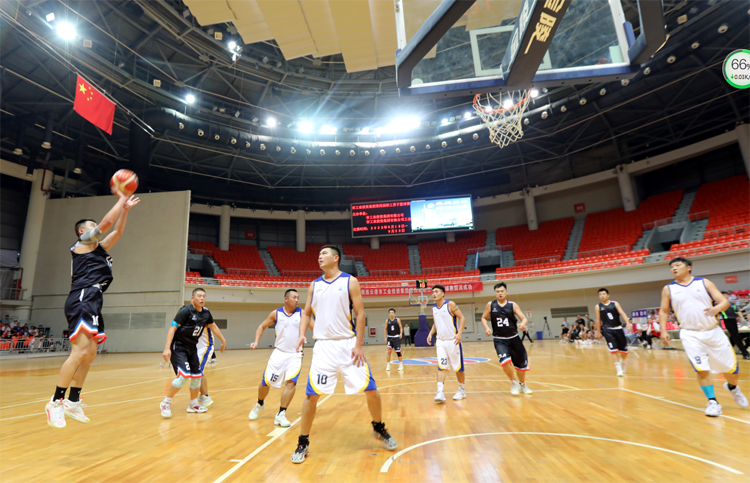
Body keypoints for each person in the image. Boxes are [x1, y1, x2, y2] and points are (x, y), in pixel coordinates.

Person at [291, 245, 396, 464]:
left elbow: (360, 313)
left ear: (336, 258)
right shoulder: (314, 285)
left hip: (348, 345)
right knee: (311, 396)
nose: (320, 256)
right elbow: (306, 313)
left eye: (324, 253)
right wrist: (301, 334)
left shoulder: (350, 281)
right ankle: (303, 442)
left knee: (372, 391)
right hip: (323, 347)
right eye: (318, 254)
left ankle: (378, 427)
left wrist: (359, 345)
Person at [45, 186, 140, 429]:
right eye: (92, 226)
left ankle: (73, 401)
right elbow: (107, 224)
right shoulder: (81, 244)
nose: (97, 228)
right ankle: (55, 402)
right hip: (82, 296)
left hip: (94, 298)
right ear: (82, 231)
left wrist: (125, 210)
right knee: (79, 353)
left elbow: (117, 230)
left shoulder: (98, 249)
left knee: (90, 354)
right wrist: (120, 198)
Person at [659, 257, 748, 417]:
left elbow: (724, 302)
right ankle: (712, 401)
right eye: (672, 267)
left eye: (678, 265)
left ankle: (733, 387)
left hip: (713, 331)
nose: (674, 268)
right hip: (689, 333)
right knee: (701, 369)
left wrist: (717, 309)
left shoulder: (704, 283)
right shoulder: (668, 289)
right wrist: (663, 330)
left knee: (731, 370)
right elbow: (664, 311)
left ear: (689, 267)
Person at [248, 288, 311, 427]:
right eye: (294, 297)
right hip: (279, 353)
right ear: (286, 299)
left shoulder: (302, 314)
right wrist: (256, 342)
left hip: (295, 354)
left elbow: (316, 328)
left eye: (298, 298)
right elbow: (261, 327)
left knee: (291, 382)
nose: (297, 300)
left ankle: (281, 414)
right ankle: (260, 404)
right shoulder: (276, 313)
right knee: (266, 382)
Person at [160, 288, 226, 418]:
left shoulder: (206, 313)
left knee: (197, 377)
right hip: (179, 347)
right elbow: (172, 328)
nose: (202, 298)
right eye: (199, 296)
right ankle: (166, 402)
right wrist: (167, 348)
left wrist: (223, 340)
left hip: (192, 348)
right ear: (193, 298)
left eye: (204, 296)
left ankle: (193, 404)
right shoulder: (186, 311)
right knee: (184, 376)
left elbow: (213, 327)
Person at [481, 282, 532, 395]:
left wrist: (523, 324)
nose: (500, 293)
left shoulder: (512, 305)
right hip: (499, 340)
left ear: (506, 292)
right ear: (495, 293)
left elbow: (524, 318)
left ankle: (522, 384)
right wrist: (487, 328)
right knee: (504, 362)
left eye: (502, 291)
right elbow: (484, 318)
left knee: (520, 366)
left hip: (514, 338)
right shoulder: (491, 305)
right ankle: (513, 382)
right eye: (497, 291)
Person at [426, 284, 467, 403]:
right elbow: (436, 323)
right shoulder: (433, 309)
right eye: (433, 292)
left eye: (436, 291)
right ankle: (440, 391)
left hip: (453, 341)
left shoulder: (450, 304)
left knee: (458, 368)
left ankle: (462, 389)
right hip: (440, 341)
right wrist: (430, 333)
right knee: (441, 366)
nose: (434, 294)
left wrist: (459, 333)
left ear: (443, 293)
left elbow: (462, 318)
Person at [594, 288, 632, 376]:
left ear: (608, 295)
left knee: (624, 351)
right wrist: (598, 332)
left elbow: (622, 313)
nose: (602, 296)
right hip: (607, 330)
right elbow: (598, 320)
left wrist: (628, 323)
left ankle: (622, 362)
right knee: (613, 350)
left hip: (618, 329)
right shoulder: (598, 306)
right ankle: (618, 369)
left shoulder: (615, 303)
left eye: (603, 294)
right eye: (600, 294)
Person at [720, 291, 750, 360]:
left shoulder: (732, 304)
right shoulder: (719, 304)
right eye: (723, 295)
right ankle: (745, 353)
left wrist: (742, 318)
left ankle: (728, 352)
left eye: (726, 295)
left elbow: (738, 311)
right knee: (736, 336)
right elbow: (718, 314)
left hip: (734, 321)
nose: (725, 296)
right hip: (727, 321)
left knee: (733, 337)